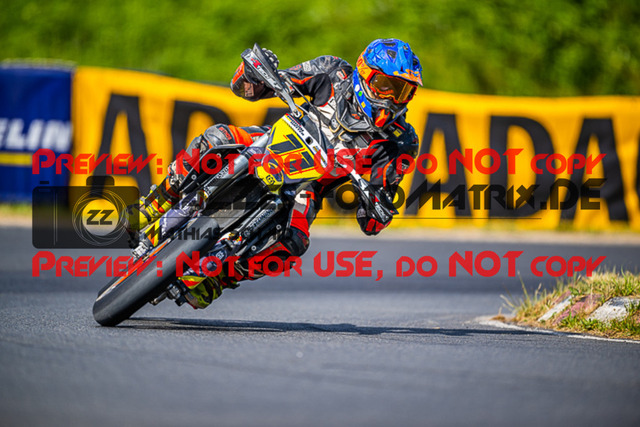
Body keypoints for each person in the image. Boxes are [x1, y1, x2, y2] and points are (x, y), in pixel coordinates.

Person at [130, 38, 423, 309]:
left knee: (295, 242)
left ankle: (221, 278)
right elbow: (252, 89)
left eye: (403, 91)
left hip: (308, 187)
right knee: (216, 138)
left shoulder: (401, 142)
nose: (392, 98)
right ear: (364, 74)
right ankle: (155, 204)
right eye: (386, 85)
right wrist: (251, 73)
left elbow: (371, 223)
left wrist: (379, 207)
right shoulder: (331, 72)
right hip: (271, 143)